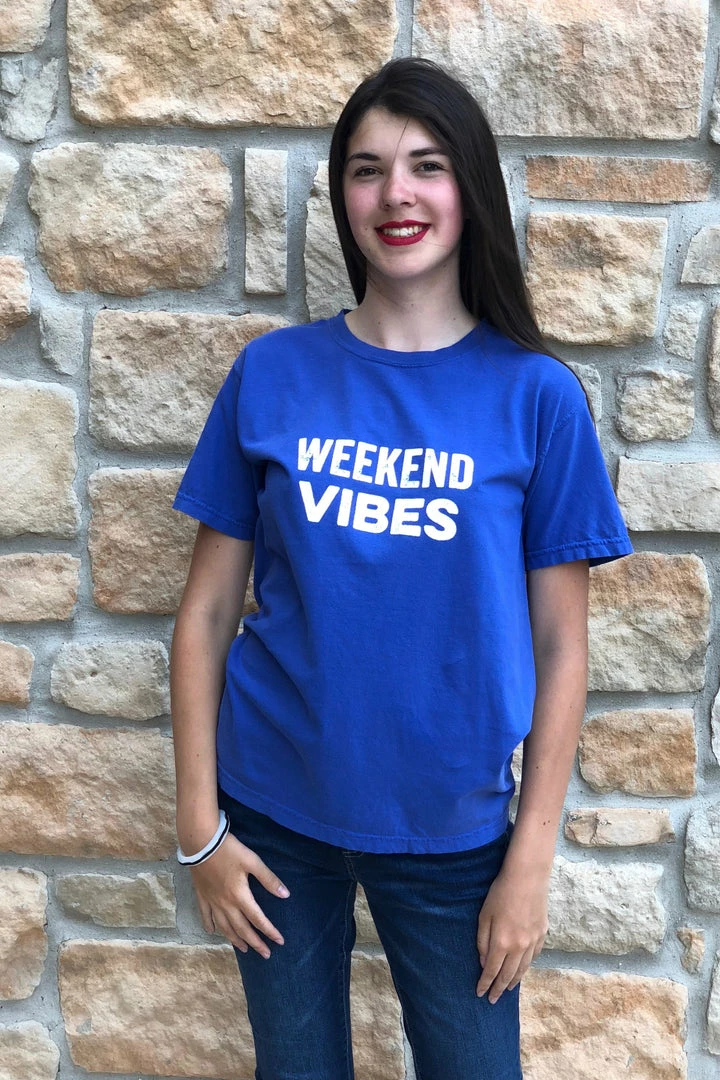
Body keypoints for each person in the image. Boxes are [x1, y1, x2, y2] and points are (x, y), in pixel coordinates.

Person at [169, 56, 633, 1080]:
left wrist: (530, 861)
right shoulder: (272, 374)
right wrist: (200, 827)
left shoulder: (537, 398)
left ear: (469, 187)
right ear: (344, 198)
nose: (396, 194)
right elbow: (204, 616)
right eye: (367, 169)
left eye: (427, 165)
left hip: (454, 834)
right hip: (273, 816)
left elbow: (562, 647)